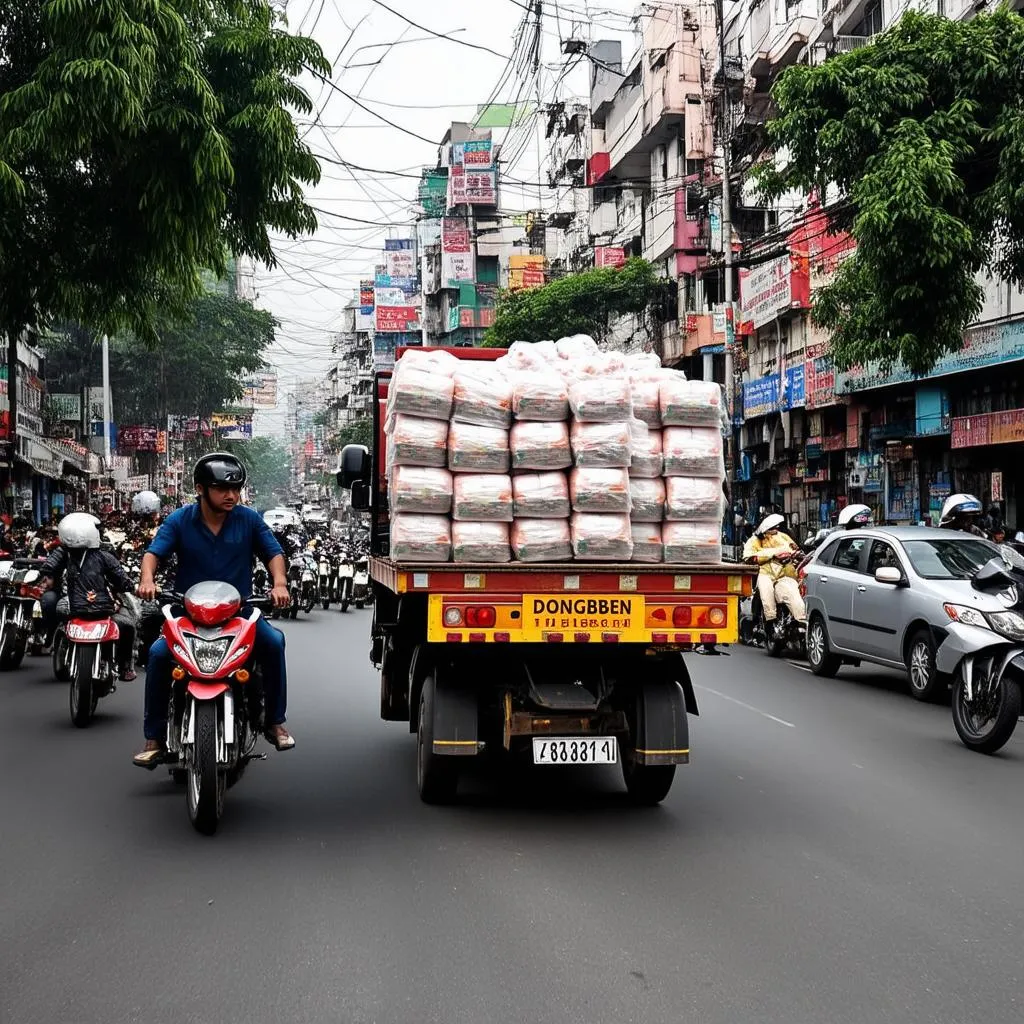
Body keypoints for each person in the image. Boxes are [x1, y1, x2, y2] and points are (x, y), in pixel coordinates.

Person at [133, 452, 293, 768]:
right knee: (157, 654)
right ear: (200, 489)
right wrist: (147, 578)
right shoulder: (179, 520)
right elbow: (153, 554)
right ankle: (154, 738)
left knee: (274, 643)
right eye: (221, 489)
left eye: (236, 488)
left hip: (239, 612)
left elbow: (273, 553)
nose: (231, 495)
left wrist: (280, 583)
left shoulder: (249, 519)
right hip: (186, 611)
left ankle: (274, 722)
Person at [39, 512, 138, 680]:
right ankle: (54, 639)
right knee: (127, 625)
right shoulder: (64, 552)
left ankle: (124, 665)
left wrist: (129, 585)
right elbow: (48, 568)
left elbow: (121, 579)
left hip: (91, 604)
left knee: (127, 626)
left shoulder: (104, 552)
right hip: (76, 602)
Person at [743, 513, 806, 634]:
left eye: (776, 527)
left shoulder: (784, 537)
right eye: (772, 527)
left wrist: (795, 555)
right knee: (766, 592)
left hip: (785, 573)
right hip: (765, 573)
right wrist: (772, 554)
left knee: (794, 593)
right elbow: (749, 557)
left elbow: (795, 549)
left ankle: (800, 621)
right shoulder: (754, 540)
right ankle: (770, 620)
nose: (775, 529)